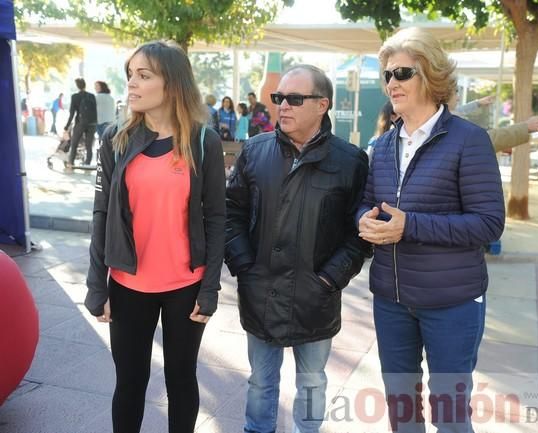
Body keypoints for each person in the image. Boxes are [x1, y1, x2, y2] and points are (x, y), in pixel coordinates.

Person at [356, 27, 505, 433]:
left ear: (432, 76)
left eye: (402, 73)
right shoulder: (383, 145)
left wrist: (411, 226)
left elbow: (489, 223)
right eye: (387, 75)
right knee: (401, 412)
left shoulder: (468, 140)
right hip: (391, 299)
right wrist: (362, 220)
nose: (391, 83)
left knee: (451, 416)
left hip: (452, 302)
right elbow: (366, 201)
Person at [84, 40, 226, 433]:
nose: (131, 83)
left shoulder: (203, 141)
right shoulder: (117, 138)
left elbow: (216, 218)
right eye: (130, 74)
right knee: (130, 383)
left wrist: (210, 288)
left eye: (143, 75)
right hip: (128, 284)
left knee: (181, 381)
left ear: (172, 83)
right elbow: (102, 214)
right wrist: (97, 284)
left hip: (186, 284)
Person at [225, 64, 371, 433]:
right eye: (278, 98)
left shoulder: (350, 161)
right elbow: (231, 211)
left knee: (312, 382)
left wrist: (329, 278)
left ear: (322, 105)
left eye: (293, 98)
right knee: (260, 381)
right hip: (261, 291)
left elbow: (359, 233)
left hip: (314, 296)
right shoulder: (255, 152)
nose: (282, 106)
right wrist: (244, 264)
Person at [448, 89, 538, 153]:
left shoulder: (442, 117)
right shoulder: (449, 123)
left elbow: (459, 110)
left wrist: (478, 103)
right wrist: (525, 127)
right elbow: (486, 139)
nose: (458, 98)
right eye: (455, 92)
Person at [63, 78, 97, 170]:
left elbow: (72, 113)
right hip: (92, 124)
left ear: (77, 86)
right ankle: (87, 163)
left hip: (80, 123)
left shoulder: (75, 96)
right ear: (85, 85)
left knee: (74, 144)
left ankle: (71, 162)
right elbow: (95, 111)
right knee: (89, 145)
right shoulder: (92, 96)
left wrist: (66, 126)